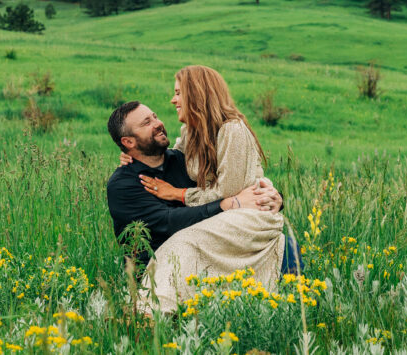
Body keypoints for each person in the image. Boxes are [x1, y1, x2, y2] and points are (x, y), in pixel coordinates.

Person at [135, 65, 293, 313]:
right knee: (180, 244)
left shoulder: (232, 129)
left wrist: (179, 194)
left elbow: (229, 193)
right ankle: (150, 308)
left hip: (250, 215)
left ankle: (155, 310)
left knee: (183, 242)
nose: (173, 99)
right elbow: (172, 159)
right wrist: (134, 156)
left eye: (178, 93)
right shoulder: (191, 131)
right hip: (226, 213)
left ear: (197, 94)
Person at [106, 100, 281, 268]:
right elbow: (169, 221)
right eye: (147, 123)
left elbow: (232, 184)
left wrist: (273, 198)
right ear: (128, 142)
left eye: (155, 116)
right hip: (159, 273)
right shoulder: (123, 184)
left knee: (282, 245)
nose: (158, 123)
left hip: (212, 256)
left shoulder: (184, 161)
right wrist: (227, 205)